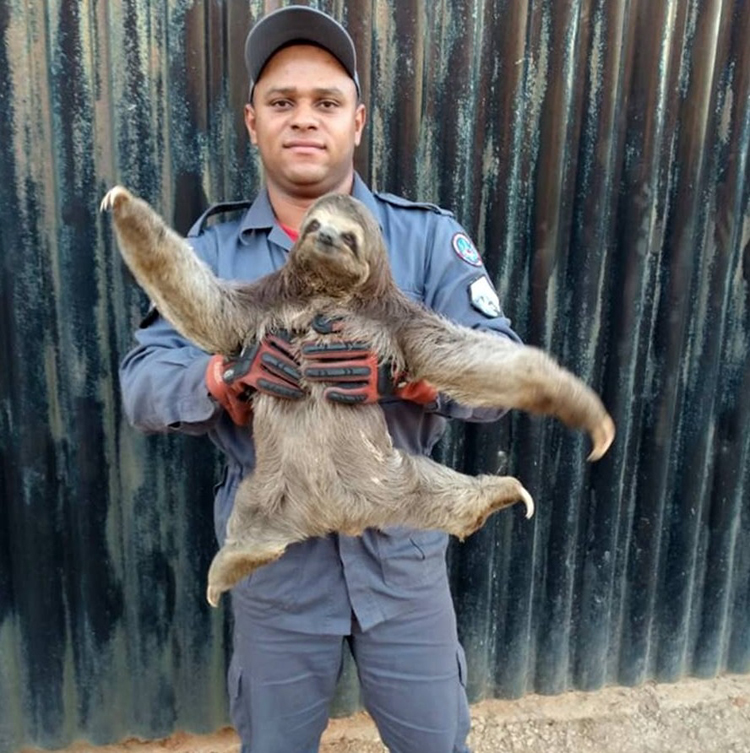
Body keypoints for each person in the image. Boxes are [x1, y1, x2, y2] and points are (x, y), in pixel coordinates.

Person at [119, 6, 521, 753]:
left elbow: (498, 366)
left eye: (326, 102)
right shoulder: (208, 252)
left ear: (358, 121)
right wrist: (218, 375)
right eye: (282, 102)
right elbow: (141, 380)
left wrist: (415, 373)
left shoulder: (426, 237)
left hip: (401, 563)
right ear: (251, 121)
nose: (304, 120)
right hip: (276, 570)